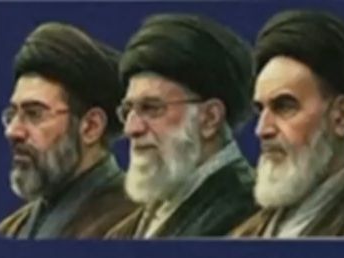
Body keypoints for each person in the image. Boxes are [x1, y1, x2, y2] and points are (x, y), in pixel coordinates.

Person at [105, 14, 256, 239]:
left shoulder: (247, 215)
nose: (131, 129)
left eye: (151, 108)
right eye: (128, 111)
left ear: (209, 118)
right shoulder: (134, 224)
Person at [0, 22, 132, 238]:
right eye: (12, 114)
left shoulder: (139, 224)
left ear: (91, 126)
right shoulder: (10, 229)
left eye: (34, 113)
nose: (13, 131)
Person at [232, 10, 344, 237]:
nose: (262, 130)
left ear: (341, 116)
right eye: (260, 110)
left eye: (284, 107)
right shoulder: (248, 232)